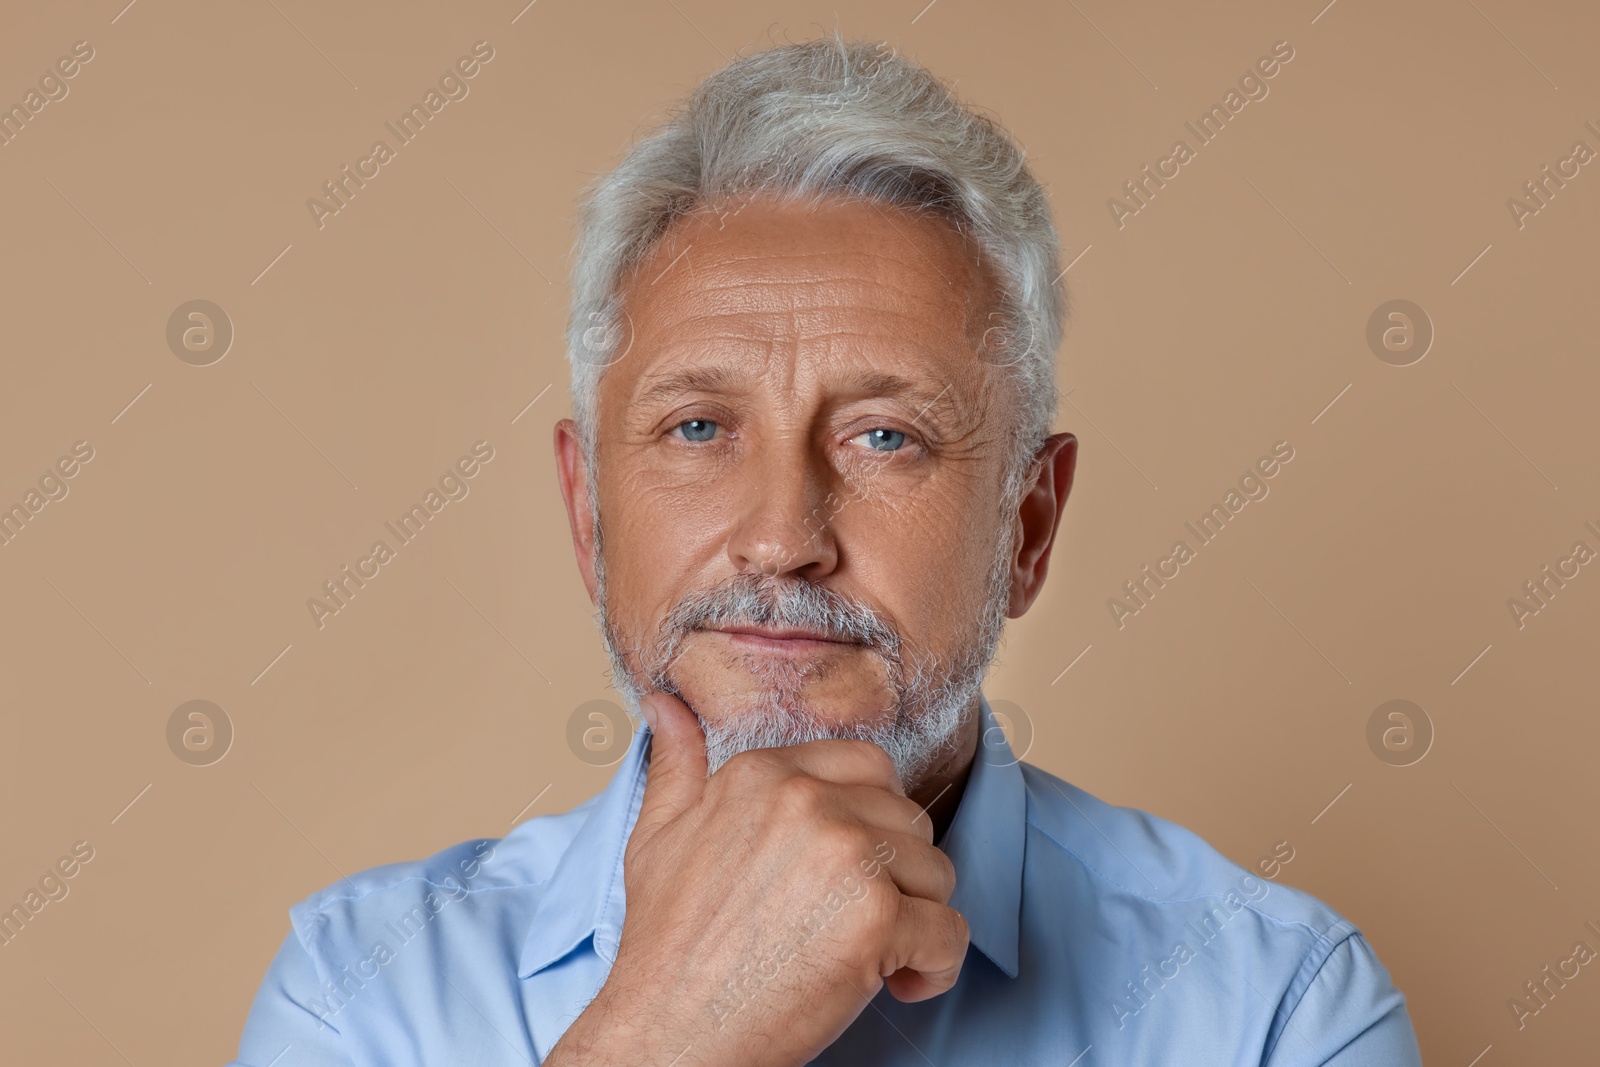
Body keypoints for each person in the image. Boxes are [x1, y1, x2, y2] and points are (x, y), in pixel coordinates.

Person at [231, 33, 1422, 1066]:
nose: (782, 537)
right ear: (588, 513)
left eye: (886, 436)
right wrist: (665, 1032)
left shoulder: (1280, 1008)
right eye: (698, 427)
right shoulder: (359, 997)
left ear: (1027, 526)